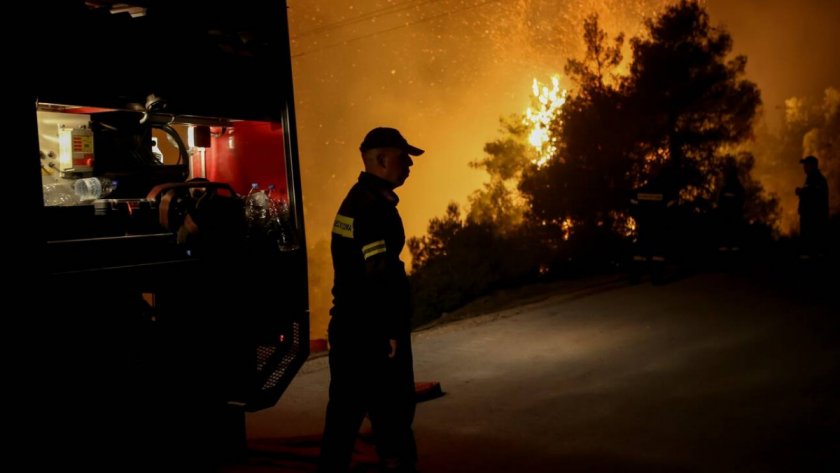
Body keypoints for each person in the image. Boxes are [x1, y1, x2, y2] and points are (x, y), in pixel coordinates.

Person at [318, 127, 423, 473]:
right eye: (402, 156)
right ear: (380, 159)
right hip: (371, 333)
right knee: (393, 416)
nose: (409, 163)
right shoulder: (373, 209)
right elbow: (378, 275)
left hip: (350, 329)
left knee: (343, 419)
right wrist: (390, 330)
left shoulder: (357, 200)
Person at [795, 155, 829, 258]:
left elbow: (814, 194)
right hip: (809, 219)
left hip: (814, 220)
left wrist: (802, 192)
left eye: (806, 164)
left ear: (813, 166)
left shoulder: (817, 179)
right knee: (809, 247)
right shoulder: (812, 178)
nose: (804, 167)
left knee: (813, 247)